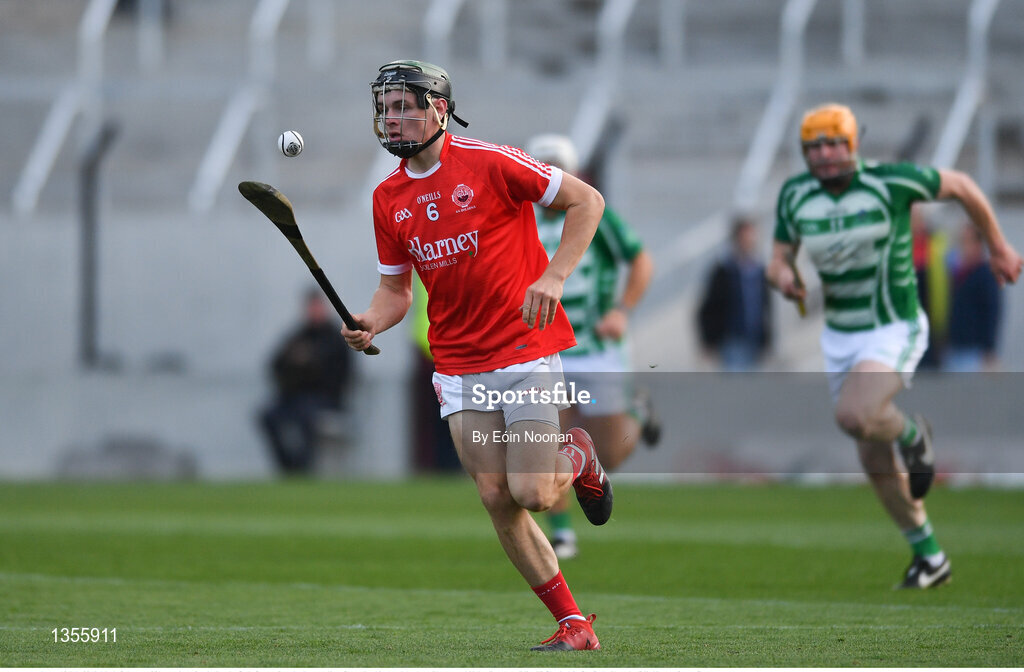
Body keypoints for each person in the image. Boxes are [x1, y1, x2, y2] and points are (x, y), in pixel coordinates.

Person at [343, 60, 610, 651]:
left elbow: (585, 201)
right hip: (459, 362)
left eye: (404, 106)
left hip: (524, 345)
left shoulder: (491, 161)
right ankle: (572, 623)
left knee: (535, 493)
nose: (393, 118)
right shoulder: (387, 199)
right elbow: (394, 291)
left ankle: (579, 457)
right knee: (496, 496)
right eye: (385, 108)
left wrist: (555, 276)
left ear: (439, 109)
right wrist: (367, 322)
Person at [766, 103, 1022, 589]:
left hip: (892, 325)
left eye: (832, 143)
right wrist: (784, 276)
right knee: (871, 458)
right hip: (840, 334)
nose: (823, 154)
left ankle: (913, 435)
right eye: (813, 146)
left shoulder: (890, 182)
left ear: (852, 144)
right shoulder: (796, 194)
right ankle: (930, 557)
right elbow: (778, 257)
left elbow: (963, 186)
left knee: (854, 416)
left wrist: (998, 246)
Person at [525, 133, 660, 560]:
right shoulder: (520, 218)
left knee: (611, 453)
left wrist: (622, 309)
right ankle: (562, 532)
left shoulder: (591, 211)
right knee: (551, 439)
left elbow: (640, 259)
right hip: (547, 346)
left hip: (596, 345)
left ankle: (638, 411)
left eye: (556, 166)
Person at [259, 288, 353, 474]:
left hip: (325, 398)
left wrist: (309, 363)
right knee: (268, 416)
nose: (314, 311)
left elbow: (341, 374)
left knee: (307, 417)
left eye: (317, 306)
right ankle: (288, 466)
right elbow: (276, 364)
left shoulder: (336, 338)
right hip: (293, 397)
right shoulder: (298, 335)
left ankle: (303, 467)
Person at [697, 216, 773, 371]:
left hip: (755, 342)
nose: (750, 240)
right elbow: (708, 307)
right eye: (746, 236)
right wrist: (708, 341)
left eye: (752, 236)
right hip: (732, 341)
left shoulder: (759, 270)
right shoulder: (724, 271)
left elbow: (765, 307)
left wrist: (767, 339)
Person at [945, 223, 1003, 372]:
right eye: (961, 241)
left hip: (974, 352)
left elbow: (992, 313)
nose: (963, 247)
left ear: (978, 244)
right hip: (955, 349)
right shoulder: (959, 272)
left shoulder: (986, 274)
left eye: (967, 241)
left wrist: (989, 350)